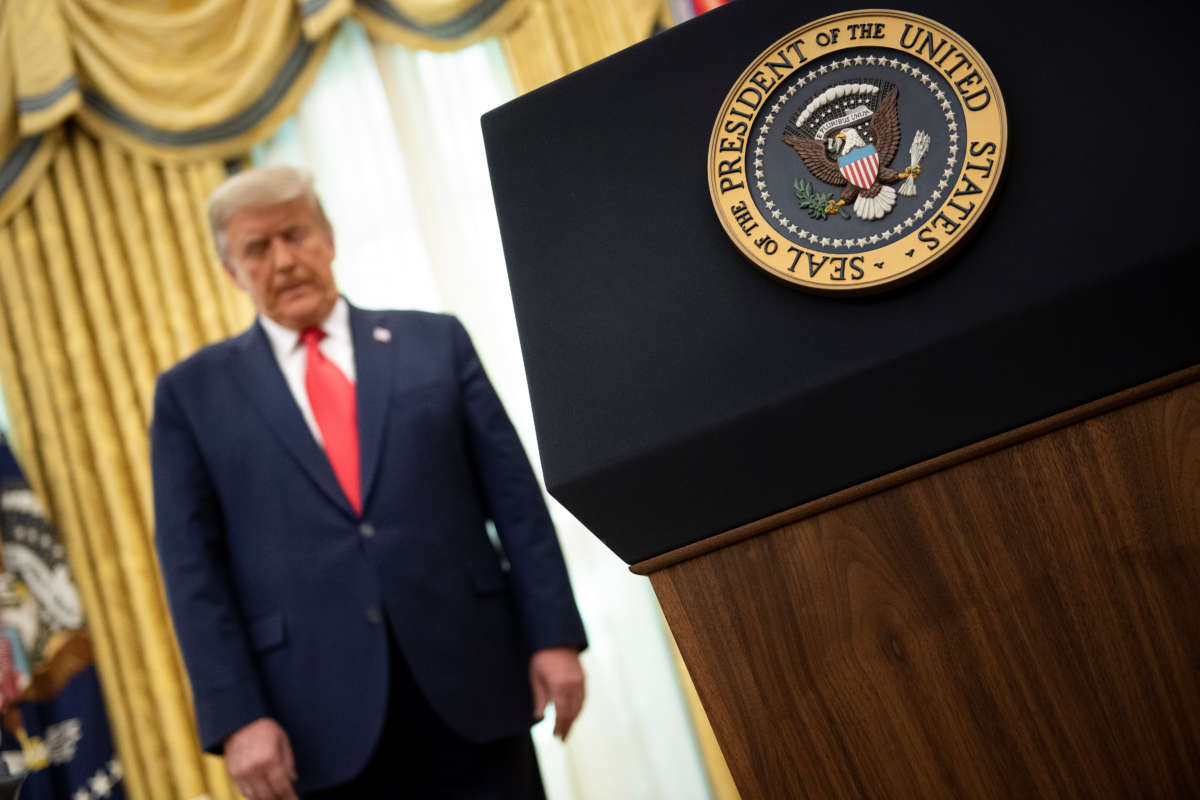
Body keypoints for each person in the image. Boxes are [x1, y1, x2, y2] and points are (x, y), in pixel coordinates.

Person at [151, 165, 587, 800]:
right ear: (231, 273)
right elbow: (192, 573)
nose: (284, 260)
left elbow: (515, 502)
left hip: (475, 682)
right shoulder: (190, 396)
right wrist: (237, 715)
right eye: (257, 248)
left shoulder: (434, 342)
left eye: (295, 234)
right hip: (315, 722)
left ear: (327, 237)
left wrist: (554, 635)